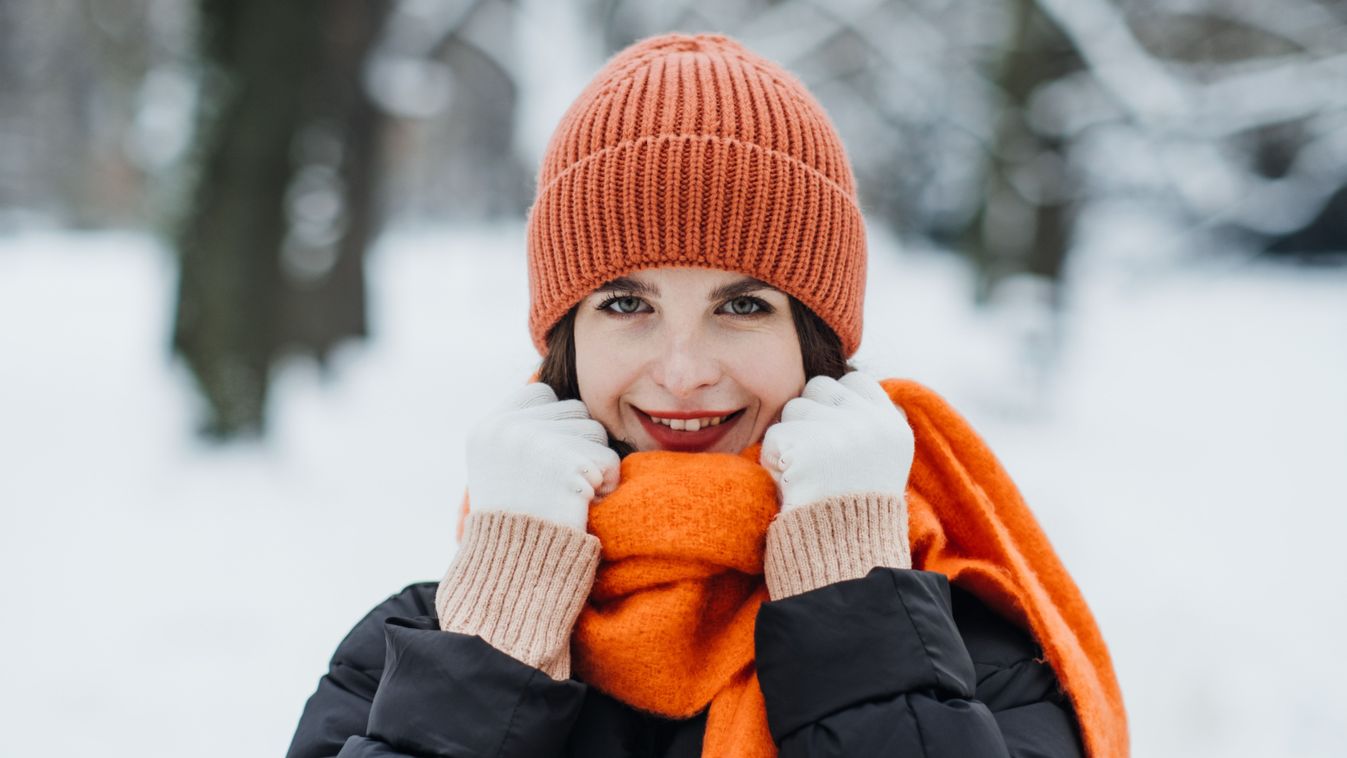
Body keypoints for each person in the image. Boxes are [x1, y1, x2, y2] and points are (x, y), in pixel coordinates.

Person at [286, 32, 1127, 758]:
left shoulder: (971, 655)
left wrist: (852, 599)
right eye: (626, 303)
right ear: (565, 339)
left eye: (742, 305)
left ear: (815, 341)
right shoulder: (410, 656)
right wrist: (496, 633)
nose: (683, 369)